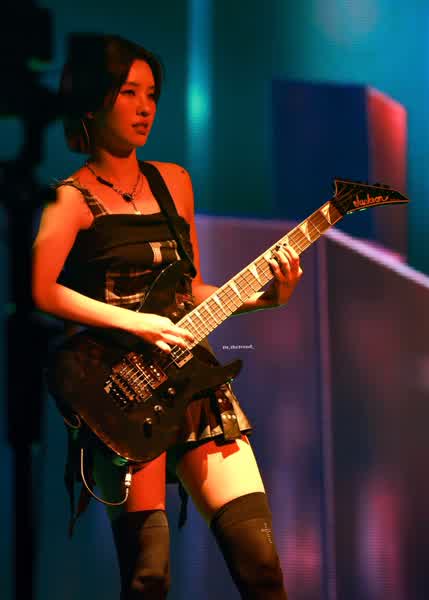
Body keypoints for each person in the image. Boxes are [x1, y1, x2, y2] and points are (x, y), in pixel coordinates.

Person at [32, 34, 303, 600]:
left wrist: (265, 298)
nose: (145, 107)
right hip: (122, 392)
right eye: (129, 92)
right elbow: (40, 291)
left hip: (193, 380)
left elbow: (190, 291)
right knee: (148, 576)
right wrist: (135, 323)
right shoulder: (69, 199)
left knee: (261, 565)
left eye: (152, 94)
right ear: (93, 102)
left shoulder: (174, 181)